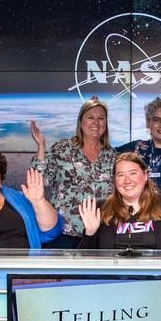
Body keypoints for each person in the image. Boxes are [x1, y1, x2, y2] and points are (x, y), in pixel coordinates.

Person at [29, 96, 116, 248]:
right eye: (90, 117)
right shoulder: (63, 149)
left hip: (102, 234)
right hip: (64, 235)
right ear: (81, 122)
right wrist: (41, 147)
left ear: (106, 124)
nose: (96, 123)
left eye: (101, 118)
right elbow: (40, 181)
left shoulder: (114, 156)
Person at [77, 152, 161, 250]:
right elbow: (83, 261)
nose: (127, 181)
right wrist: (90, 233)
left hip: (153, 271)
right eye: (121, 175)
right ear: (115, 180)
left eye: (133, 173)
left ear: (145, 175)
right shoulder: (100, 208)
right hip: (114, 271)